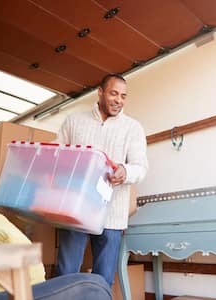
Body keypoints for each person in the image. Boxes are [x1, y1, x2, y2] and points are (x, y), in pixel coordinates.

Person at [55, 73, 148, 287]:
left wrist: (125, 171)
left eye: (124, 96)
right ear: (100, 92)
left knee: (103, 278)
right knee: (65, 273)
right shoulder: (74, 121)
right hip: (74, 209)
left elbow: (141, 167)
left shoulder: (133, 128)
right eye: (114, 93)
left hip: (112, 213)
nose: (119, 100)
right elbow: (58, 153)